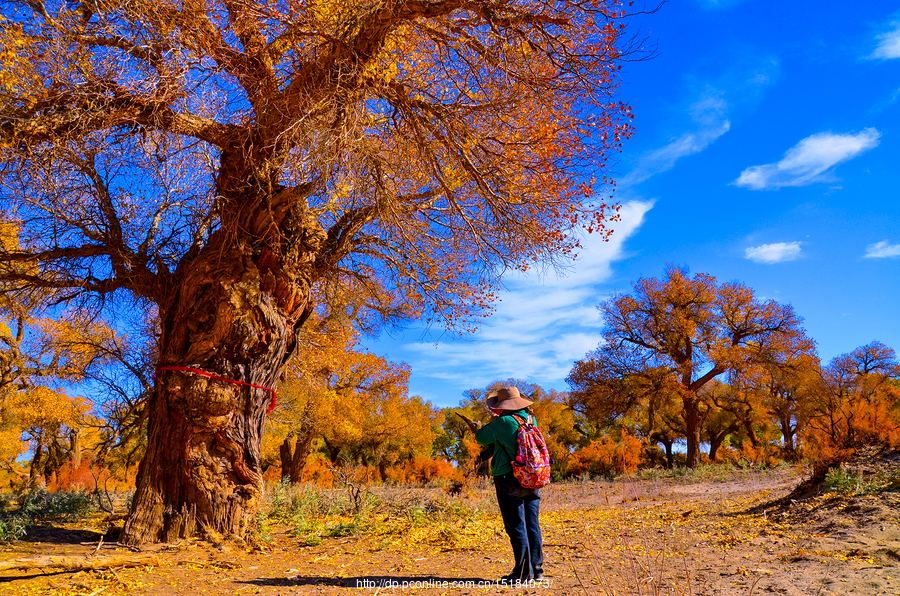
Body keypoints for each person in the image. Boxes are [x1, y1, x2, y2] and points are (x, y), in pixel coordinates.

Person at [471, 386, 544, 582]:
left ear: (502, 405)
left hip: (508, 477)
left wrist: (493, 420)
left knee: (516, 526)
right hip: (532, 477)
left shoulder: (502, 422)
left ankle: (522, 573)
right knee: (532, 524)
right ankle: (536, 570)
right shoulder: (530, 419)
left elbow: (480, 437)